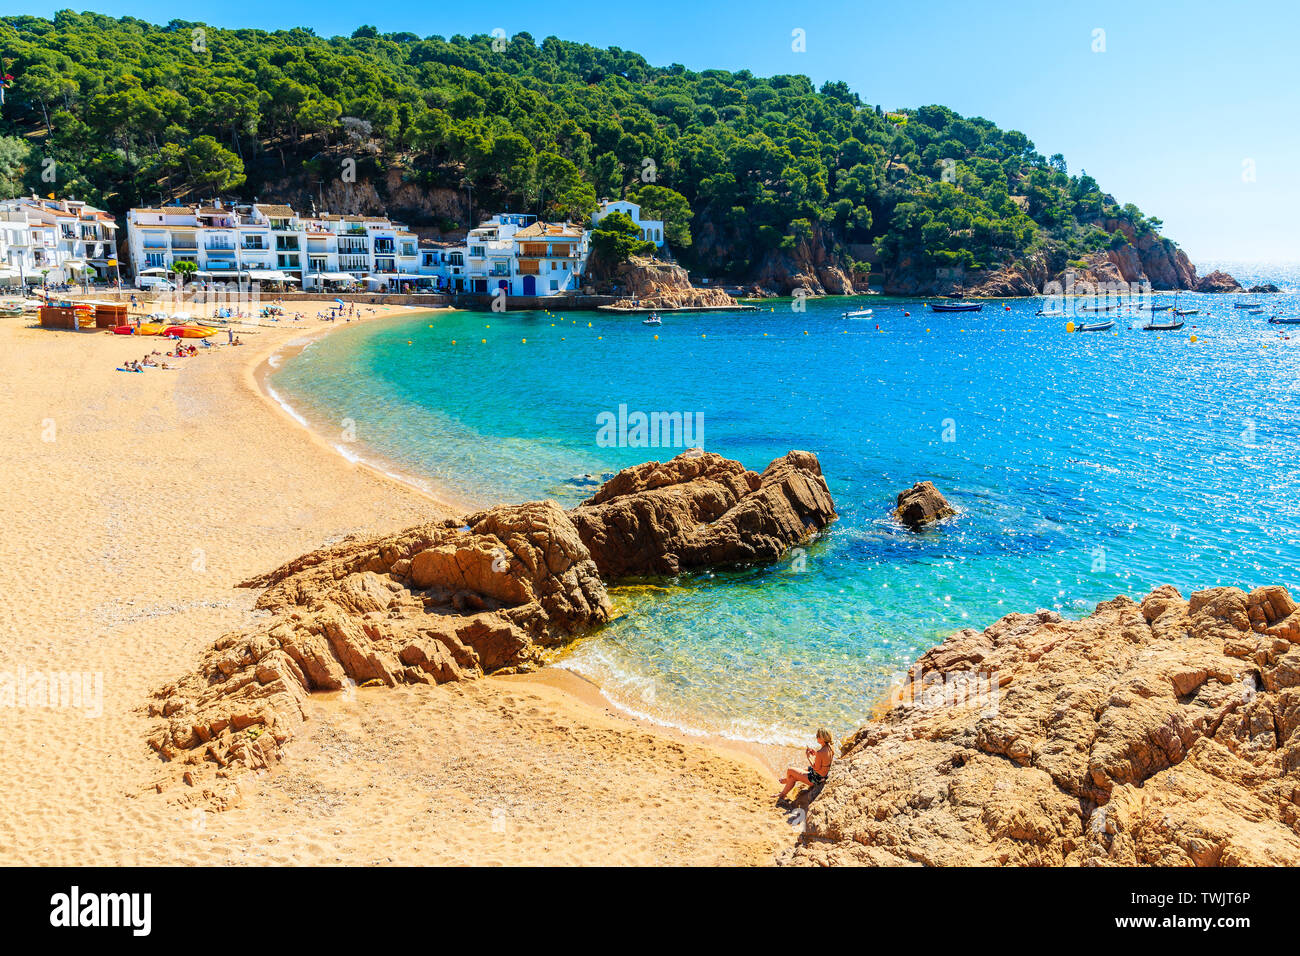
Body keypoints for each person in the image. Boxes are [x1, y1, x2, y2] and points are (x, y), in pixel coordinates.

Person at [778, 728, 834, 802]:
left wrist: (808, 756)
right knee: (793, 777)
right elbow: (824, 759)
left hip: (815, 778)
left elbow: (816, 768)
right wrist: (816, 754)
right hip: (823, 775)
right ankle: (782, 794)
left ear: (822, 738)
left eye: (818, 736)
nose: (816, 737)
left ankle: (786, 782)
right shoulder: (830, 748)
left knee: (790, 770)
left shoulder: (820, 752)